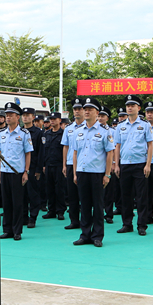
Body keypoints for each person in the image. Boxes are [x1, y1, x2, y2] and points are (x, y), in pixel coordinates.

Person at [72, 97, 115, 248]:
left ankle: (97, 236)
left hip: (97, 173)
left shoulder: (105, 131)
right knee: (84, 205)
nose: (87, 112)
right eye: (85, 109)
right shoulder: (78, 131)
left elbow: (110, 153)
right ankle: (85, 235)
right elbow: (75, 153)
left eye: (90, 109)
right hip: (82, 172)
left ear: (97, 112)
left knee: (97, 205)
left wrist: (107, 174)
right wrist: (75, 173)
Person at [113, 95, 153, 235]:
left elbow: (150, 145)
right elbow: (117, 146)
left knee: (141, 197)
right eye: (128, 105)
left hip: (140, 164)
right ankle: (127, 224)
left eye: (133, 105)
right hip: (125, 165)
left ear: (138, 108)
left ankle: (142, 225)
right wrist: (116, 164)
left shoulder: (145, 125)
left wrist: (148, 164)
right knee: (126, 196)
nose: (129, 107)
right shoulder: (120, 126)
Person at [0, 102, 33, 241]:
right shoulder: (1, 133)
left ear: (18, 117)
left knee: (17, 203)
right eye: (7, 115)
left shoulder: (24, 133)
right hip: (4, 171)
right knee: (6, 202)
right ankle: (7, 229)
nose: (8, 117)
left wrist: (26, 171)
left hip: (17, 172)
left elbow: (28, 153)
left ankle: (17, 231)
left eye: (11, 115)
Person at [61, 98, 86, 230]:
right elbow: (65, 147)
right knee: (72, 194)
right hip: (71, 164)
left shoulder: (89, 127)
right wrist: (64, 165)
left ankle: (86, 219)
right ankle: (74, 220)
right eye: (75, 109)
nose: (77, 111)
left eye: (79, 109)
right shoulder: (68, 128)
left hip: (84, 164)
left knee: (84, 194)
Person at [21, 107, 44, 228]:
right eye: (24, 115)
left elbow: (41, 152)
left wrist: (39, 170)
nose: (25, 117)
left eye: (28, 115)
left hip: (33, 167)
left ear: (33, 117)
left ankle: (33, 217)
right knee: (22, 194)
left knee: (33, 194)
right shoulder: (19, 131)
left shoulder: (38, 132)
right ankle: (24, 216)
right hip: (20, 167)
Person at [41, 112, 66, 221]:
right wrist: (43, 164)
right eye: (51, 119)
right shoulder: (46, 134)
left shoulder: (63, 134)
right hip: (48, 164)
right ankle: (51, 210)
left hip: (59, 164)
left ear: (60, 120)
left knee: (59, 189)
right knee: (49, 188)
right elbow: (44, 150)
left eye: (54, 119)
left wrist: (64, 165)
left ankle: (60, 211)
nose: (52, 121)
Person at [99, 106, 120, 224]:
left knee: (109, 191)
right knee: (98, 191)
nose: (100, 118)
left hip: (108, 165)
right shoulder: (94, 130)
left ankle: (108, 214)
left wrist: (113, 163)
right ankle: (99, 212)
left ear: (107, 118)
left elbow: (114, 148)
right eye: (99, 116)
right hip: (97, 165)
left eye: (103, 116)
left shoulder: (112, 131)